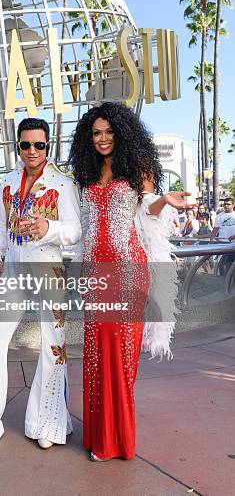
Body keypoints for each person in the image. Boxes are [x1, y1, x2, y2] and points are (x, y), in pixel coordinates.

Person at [68, 102, 194, 462]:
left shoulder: (138, 168)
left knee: (120, 354)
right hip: (95, 273)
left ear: (122, 132)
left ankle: (117, 440)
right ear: (88, 138)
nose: (103, 138)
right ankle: (99, 436)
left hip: (126, 269)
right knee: (95, 355)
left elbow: (149, 205)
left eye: (109, 131)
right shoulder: (88, 174)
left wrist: (164, 202)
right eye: (96, 133)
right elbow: (83, 230)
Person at [0, 118, 81, 450]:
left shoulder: (63, 184)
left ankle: (48, 424)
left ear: (48, 146)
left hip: (49, 270)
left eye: (39, 145)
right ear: (18, 146)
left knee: (52, 346)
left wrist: (49, 228)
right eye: (25, 145)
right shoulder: (8, 182)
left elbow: (75, 230)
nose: (32, 151)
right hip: (12, 271)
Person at [210, 197, 235, 275]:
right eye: (224, 204)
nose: (226, 206)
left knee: (230, 265)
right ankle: (224, 281)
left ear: (233, 205)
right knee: (220, 264)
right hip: (222, 243)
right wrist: (211, 240)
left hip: (233, 244)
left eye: (228, 204)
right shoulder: (220, 215)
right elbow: (215, 229)